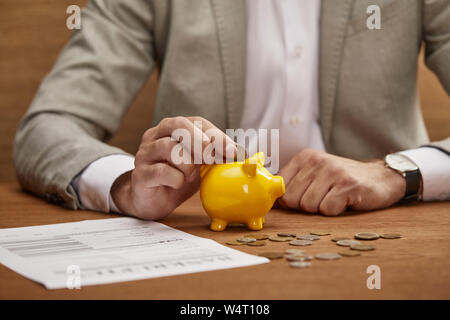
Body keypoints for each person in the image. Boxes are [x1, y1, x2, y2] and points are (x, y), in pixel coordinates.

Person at [13, 0, 450, 220]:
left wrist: (398, 173)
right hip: (202, 245)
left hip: (386, 231)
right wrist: (126, 184)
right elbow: (48, 125)